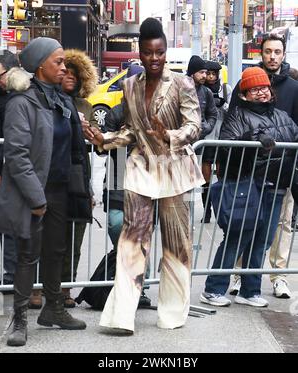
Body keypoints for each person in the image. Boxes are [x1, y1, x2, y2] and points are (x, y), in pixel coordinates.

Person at [94, 18, 204, 333]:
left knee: (176, 245)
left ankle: (171, 314)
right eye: (147, 53)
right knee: (131, 242)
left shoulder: (183, 84)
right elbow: (130, 131)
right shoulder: (130, 86)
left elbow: (194, 127)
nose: (154, 59)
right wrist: (105, 140)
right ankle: (121, 316)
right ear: (139, 53)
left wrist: (169, 135)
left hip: (173, 169)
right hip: (141, 170)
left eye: (159, 53)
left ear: (165, 51)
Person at [0, 37, 90, 347]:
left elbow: (73, 148)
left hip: (60, 189)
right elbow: (18, 156)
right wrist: (36, 198)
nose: (64, 68)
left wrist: (82, 188)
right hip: (33, 192)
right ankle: (20, 318)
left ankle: (53, 309)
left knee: (56, 251)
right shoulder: (21, 102)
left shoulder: (61, 100)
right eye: (58, 62)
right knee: (26, 255)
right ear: (40, 67)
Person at [200, 67, 298, 308]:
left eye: (264, 87)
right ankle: (214, 288)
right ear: (244, 94)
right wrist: (255, 138)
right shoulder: (237, 116)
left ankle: (250, 290)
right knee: (237, 236)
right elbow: (228, 147)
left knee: (262, 240)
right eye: (255, 89)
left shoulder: (283, 116)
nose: (261, 92)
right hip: (247, 185)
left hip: (275, 187)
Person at [229, 34, 298, 299]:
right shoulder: (245, 83)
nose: (272, 56)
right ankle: (237, 274)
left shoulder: (293, 87)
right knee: (245, 222)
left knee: (283, 225)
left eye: (277, 52)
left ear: (283, 54)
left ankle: (279, 276)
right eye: (268, 51)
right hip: (251, 171)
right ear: (262, 53)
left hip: (283, 171)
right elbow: (232, 124)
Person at [102, 65, 151, 308]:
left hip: (146, 185)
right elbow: (107, 150)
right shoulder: (116, 112)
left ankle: (138, 288)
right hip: (118, 182)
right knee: (116, 227)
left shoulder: (153, 112)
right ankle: (122, 276)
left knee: (142, 237)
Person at [0, 51, 21, 289]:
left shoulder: (20, 97)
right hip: (5, 169)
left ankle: (15, 272)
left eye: (0, 75)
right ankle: (11, 271)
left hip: (16, 169)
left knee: (12, 223)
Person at [186, 56, 218, 223]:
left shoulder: (206, 92)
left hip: (201, 142)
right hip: (183, 143)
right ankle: (184, 213)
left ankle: (206, 211)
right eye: (202, 72)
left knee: (205, 179)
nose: (205, 75)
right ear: (192, 73)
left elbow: (213, 114)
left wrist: (206, 128)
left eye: (206, 72)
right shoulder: (179, 88)